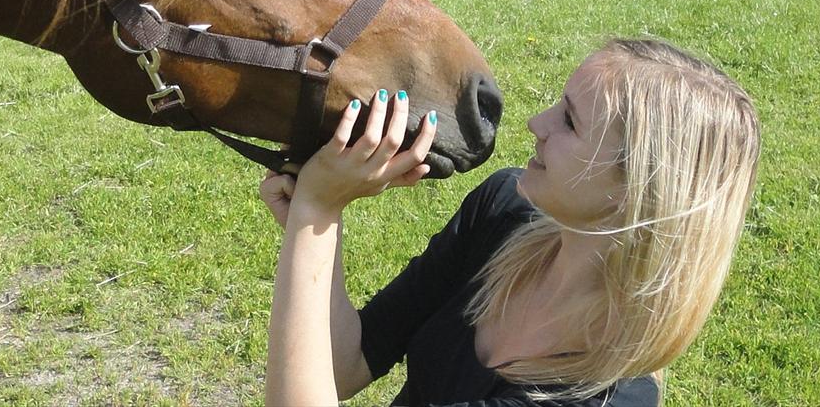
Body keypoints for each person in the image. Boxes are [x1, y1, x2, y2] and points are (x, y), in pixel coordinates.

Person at [260, 38, 760, 406]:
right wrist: (325, 220)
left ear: (636, 191)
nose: (536, 124)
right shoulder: (503, 213)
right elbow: (343, 365)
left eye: (569, 121)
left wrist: (315, 214)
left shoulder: (600, 398)